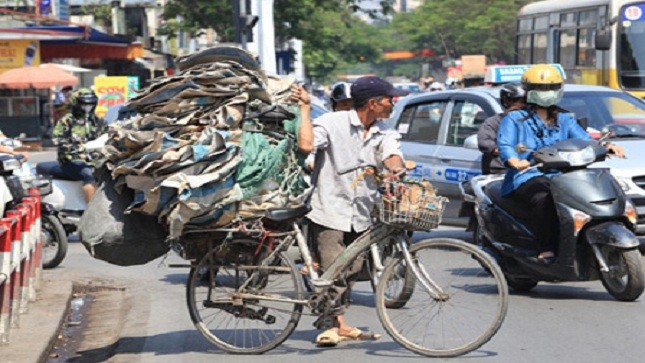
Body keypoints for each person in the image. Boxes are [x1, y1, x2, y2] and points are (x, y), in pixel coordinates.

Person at [302, 76, 407, 347]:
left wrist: (396, 168)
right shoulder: (331, 123)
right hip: (329, 206)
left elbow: (391, 153)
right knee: (333, 268)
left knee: (353, 268)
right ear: (372, 103)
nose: (392, 104)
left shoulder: (383, 131)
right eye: (388, 100)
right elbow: (307, 146)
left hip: (361, 211)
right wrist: (304, 110)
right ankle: (328, 325)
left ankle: (339, 322)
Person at [497, 64, 625, 263]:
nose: (546, 93)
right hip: (528, 176)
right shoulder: (514, 118)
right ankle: (546, 247)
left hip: (565, 176)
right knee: (543, 198)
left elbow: (584, 140)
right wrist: (514, 159)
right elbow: (505, 144)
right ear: (528, 90)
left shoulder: (565, 118)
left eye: (551, 88)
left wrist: (605, 146)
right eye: (540, 88)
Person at [52, 88, 105, 203]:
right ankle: (91, 214)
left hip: (94, 160)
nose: (88, 106)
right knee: (89, 175)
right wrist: (76, 148)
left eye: (91, 103)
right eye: (84, 104)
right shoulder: (67, 121)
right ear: (76, 103)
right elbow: (57, 140)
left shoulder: (97, 121)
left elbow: (106, 137)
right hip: (71, 161)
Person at [477, 82, 526, 175]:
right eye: (516, 101)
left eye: (524, 102)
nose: (521, 105)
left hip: (530, 170)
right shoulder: (492, 123)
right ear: (506, 102)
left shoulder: (535, 121)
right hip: (501, 173)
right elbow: (485, 143)